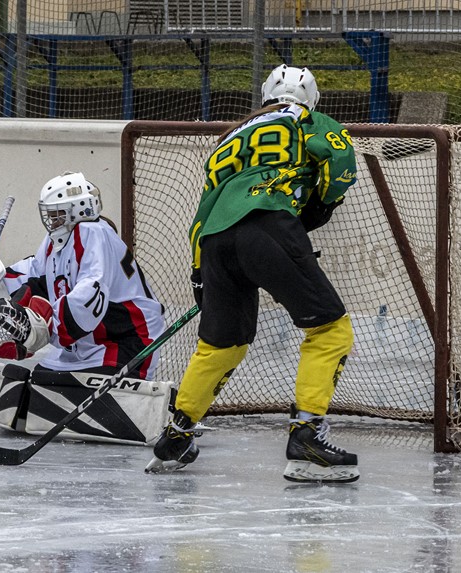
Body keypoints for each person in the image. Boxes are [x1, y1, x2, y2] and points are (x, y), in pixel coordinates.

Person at [145, 64, 360, 482]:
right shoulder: (306, 118)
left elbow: (203, 210)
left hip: (213, 242)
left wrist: (198, 273)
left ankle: (175, 437)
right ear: (310, 98)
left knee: (221, 346)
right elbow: (340, 159)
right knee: (331, 331)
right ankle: (307, 438)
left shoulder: (230, 136)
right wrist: (321, 203)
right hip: (269, 225)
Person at [0, 171, 167, 443]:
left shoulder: (93, 233)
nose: (51, 220)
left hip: (127, 342)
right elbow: (33, 275)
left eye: (57, 213)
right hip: (85, 346)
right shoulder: (57, 240)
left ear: (78, 209)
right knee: (38, 384)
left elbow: (90, 294)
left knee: (54, 394)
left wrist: (41, 328)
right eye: (49, 213)